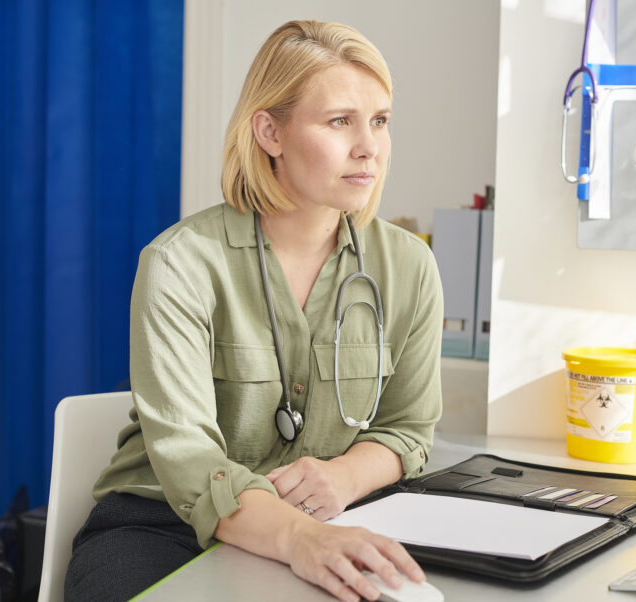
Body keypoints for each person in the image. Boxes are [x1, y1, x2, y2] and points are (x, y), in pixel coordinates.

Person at [64, 19, 444, 602]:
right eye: (340, 121)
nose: (369, 146)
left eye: (380, 121)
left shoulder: (409, 267)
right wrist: (298, 537)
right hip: (164, 525)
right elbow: (190, 460)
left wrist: (343, 477)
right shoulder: (179, 264)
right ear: (270, 132)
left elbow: (407, 430)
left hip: (331, 520)